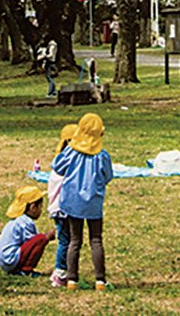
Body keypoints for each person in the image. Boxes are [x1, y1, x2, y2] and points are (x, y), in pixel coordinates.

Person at [53, 112, 114, 291]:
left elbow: (57, 166)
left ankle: (72, 279)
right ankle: (100, 280)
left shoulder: (71, 152)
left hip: (72, 202)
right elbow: (108, 176)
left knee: (74, 240)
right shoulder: (102, 156)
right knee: (96, 240)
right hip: (94, 203)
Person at [0, 185, 54, 275]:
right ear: (33, 207)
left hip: (5, 260)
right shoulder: (25, 221)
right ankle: (26, 270)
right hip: (10, 260)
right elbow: (31, 244)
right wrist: (47, 237)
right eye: (40, 206)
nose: (41, 210)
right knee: (41, 239)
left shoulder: (17, 220)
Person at [47, 123, 78, 287]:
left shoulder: (58, 159)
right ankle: (60, 272)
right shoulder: (70, 161)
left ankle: (63, 270)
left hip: (56, 207)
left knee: (64, 239)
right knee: (66, 240)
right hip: (63, 208)